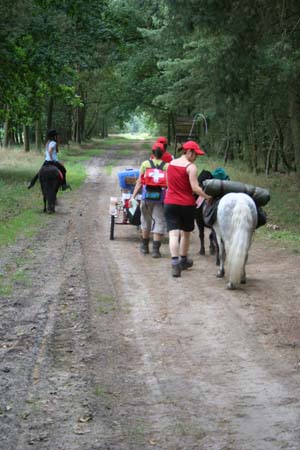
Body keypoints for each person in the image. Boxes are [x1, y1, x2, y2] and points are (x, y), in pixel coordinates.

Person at [164, 140, 212, 278]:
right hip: (186, 205)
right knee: (185, 234)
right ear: (189, 152)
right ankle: (183, 261)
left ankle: (175, 264)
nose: (196, 157)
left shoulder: (170, 165)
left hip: (170, 203)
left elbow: (168, 184)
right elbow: (195, 188)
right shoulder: (191, 167)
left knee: (173, 234)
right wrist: (207, 196)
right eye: (195, 154)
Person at [130, 142, 168, 258]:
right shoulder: (167, 166)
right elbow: (169, 184)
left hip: (146, 197)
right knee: (159, 220)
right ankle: (156, 250)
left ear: (152, 153)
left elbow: (140, 182)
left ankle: (144, 247)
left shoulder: (145, 164)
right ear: (163, 153)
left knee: (145, 220)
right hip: (160, 198)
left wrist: (133, 196)